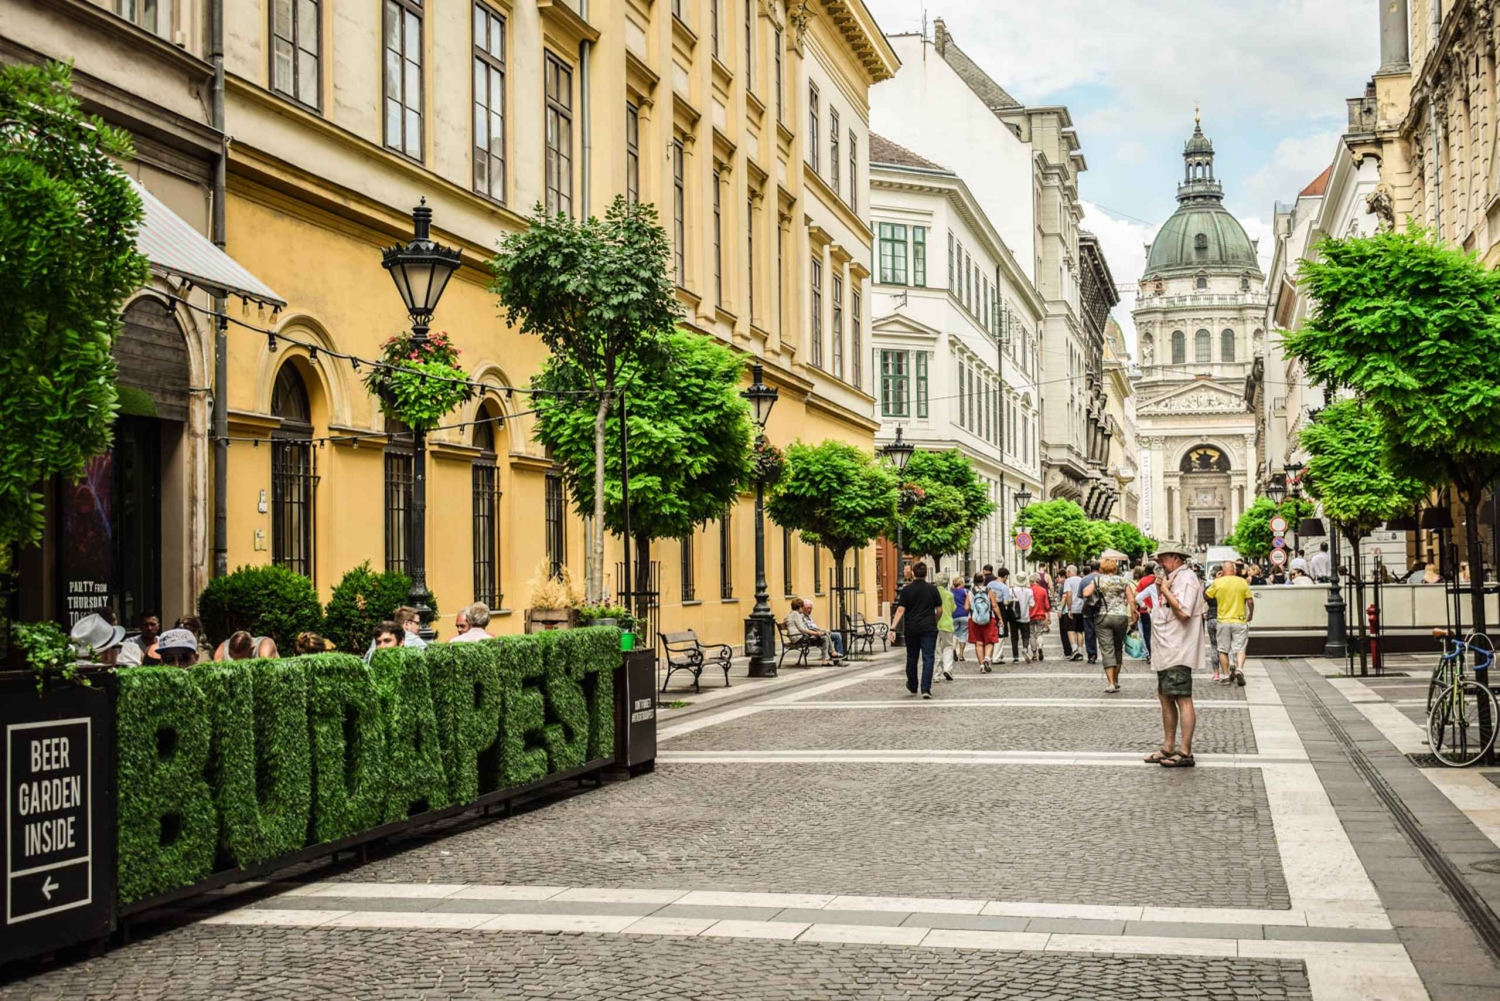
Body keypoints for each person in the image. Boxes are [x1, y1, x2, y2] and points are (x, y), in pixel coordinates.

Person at [1147, 543, 1205, 768]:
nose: (1159, 563)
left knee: (1182, 698)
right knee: (1165, 697)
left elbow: (1183, 611)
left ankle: (1185, 751)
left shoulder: (1187, 578)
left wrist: (1165, 591)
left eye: (1162, 558)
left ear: (1175, 557)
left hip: (1178, 649)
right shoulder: (1174, 577)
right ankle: (1168, 747)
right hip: (1166, 649)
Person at [1084, 557, 1136, 693]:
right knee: (1118, 648)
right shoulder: (1123, 580)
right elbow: (1131, 600)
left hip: (1103, 617)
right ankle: (1117, 680)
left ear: (1102, 568)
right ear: (1114, 567)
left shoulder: (1098, 580)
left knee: (1107, 649)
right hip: (1121, 617)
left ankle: (1111, 683)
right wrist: (1134, 617)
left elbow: (1085, 593)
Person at [891, 562, 942, 698]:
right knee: (929, 657)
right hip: (929, 627)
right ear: (926, 574)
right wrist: (935, 620)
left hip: (911, 628)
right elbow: (939, 609)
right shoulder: (932, 589)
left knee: (912, 657)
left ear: (913, 573)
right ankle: (926, 689)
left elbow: (901, 609)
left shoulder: (907, 590)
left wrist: (892, 627)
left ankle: (913, 685)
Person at [1206, 560, 1253, 687]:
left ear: (1222, 570)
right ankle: (1239, 669)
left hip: (1223, 621)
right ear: (1234, 570)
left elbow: (1206, 596)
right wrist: (1250, 614)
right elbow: (1249, 600)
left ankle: (1226, 675)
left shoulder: (1218, 582)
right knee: (1240, 648)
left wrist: (1217, 581)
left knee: (1222, 649)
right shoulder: (1242, 581)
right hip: (1239, 620)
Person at [966, 571, 999, 670]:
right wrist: (1000, 619)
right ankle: (987, 658)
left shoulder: (970, 592)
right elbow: (994, 606)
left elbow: (966, 607)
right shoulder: (989, 591)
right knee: (989, 641)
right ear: (983, 580)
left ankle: (981, 666)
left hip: (974, 620)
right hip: (989, 619)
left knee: (978, 642)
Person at [1061, 565, 1085, 661]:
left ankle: (1074, 650)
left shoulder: (1068, 581)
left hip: (1072, 609)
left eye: (1067, 572)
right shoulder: (1082, 580)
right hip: (1081, 608)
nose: (1066, 574)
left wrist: (1069, 608)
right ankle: (1080, 651)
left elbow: (1069, 594)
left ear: (1070, 572)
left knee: (1070, 630)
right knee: (1079, 631)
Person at [1079, 559, 1102, 663]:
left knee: (1089, 632)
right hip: (1102, 609)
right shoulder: (1103, 578)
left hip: (1088, 609)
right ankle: (1106, 653)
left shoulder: (1084, 580)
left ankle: (1092, 655)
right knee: (1103, 632)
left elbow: (1080, 595)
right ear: (1099, 568)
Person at [936, 576, 957, 680]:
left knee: (936, 649)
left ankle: (936, 675)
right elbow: (953, 608)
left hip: (934, 624)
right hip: (947, 624)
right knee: (948, 647)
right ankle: (947, 669)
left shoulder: (933, 593)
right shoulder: (949, 595)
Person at [1134, 565, 1157, 657]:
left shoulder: (1143, 580)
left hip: (1146, 611)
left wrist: (1144, 606)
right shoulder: (1161, 580)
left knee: (1147, 633)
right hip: (1160, 611)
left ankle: (1150, 654)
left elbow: (1137, 595)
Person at [1027, 572, 1051, 661]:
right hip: (1041, 615)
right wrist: (1048, 616)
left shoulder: (1028, 590)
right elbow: (1047, 605)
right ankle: (1040, 646)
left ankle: (1034, 653)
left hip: (1030, 615)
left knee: (1032, 634)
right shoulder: (1043, 590)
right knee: (1039, 633)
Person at [1011, 572, 1033, 664]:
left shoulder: (1011, 590)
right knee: (1026, 635)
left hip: (1014, 617)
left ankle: (1015, 657)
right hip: (1025, 616)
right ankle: (1025, 649)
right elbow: (1032, 604)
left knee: (1014, 637)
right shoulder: (1029, 591)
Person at [951, 575, 970, 664]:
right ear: (961, 583)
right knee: (963, 634)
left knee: (955, 633)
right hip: (964, 614)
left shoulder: (951, 592)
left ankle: (953, 648)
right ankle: (961, 655)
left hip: (954, 614)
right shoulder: (966, 591)